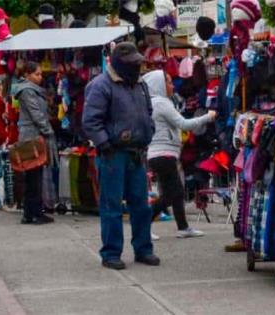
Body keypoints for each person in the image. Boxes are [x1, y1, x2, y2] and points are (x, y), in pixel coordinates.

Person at [82, 42, 159, 270]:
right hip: (113, 153)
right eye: (133, 64)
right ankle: (111, 253)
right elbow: (90, 120)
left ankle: (144, 249)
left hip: (136, 152)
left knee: (141, 206)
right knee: (112, 205)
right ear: (119, 63)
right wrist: (104, 143)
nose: (137, 67)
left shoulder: (139, 85)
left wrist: (149, 130)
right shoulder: (101, 85)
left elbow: (148, 112)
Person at [143, 70, 216, 239]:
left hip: (160, 154)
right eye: (168, 82)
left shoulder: (154, 102)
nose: (172, 85)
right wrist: (207, 117)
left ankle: (183, 227)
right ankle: (143, 224)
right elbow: (184, 124)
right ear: (159, 85)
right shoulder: (161, 103)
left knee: (175, 192)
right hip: (164, 155)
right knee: (171, 194)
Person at [15, 61, 57, 225]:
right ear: (27, 75)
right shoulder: (27, 91)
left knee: (35, 175)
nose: (40, 77)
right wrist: (48, 130)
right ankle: (33, 213)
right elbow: (36, 114)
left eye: (40, 74)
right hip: (31, 136)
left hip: (33, 135)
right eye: (36, 74)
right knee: (33, 175)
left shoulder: (32, 90)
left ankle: (32, 212)